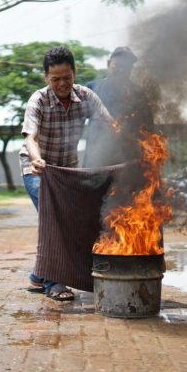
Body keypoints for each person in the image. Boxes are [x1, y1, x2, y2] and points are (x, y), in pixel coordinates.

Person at [20, 46, 114, 301]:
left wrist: (136, 141)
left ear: (74, 73)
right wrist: (37, 158)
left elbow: (110, 125)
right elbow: (30, 137)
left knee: (78, 217)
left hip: (68, 170)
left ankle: (38, 275)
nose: (62, 84)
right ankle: (54, 282)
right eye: (55, 79)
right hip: (38, 170)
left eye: (67, 77)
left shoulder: (86, 96)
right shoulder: (38, 100)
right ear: (46, 78)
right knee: (56, 217)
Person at [83, 46, 154, 167]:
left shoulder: (139, 93)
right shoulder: (92, 88)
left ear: (131, 69)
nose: (121, 70)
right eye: (117, 65)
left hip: (127, 164)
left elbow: (149, 128)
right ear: (108, 64)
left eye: (126, 67)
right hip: (95, 163)